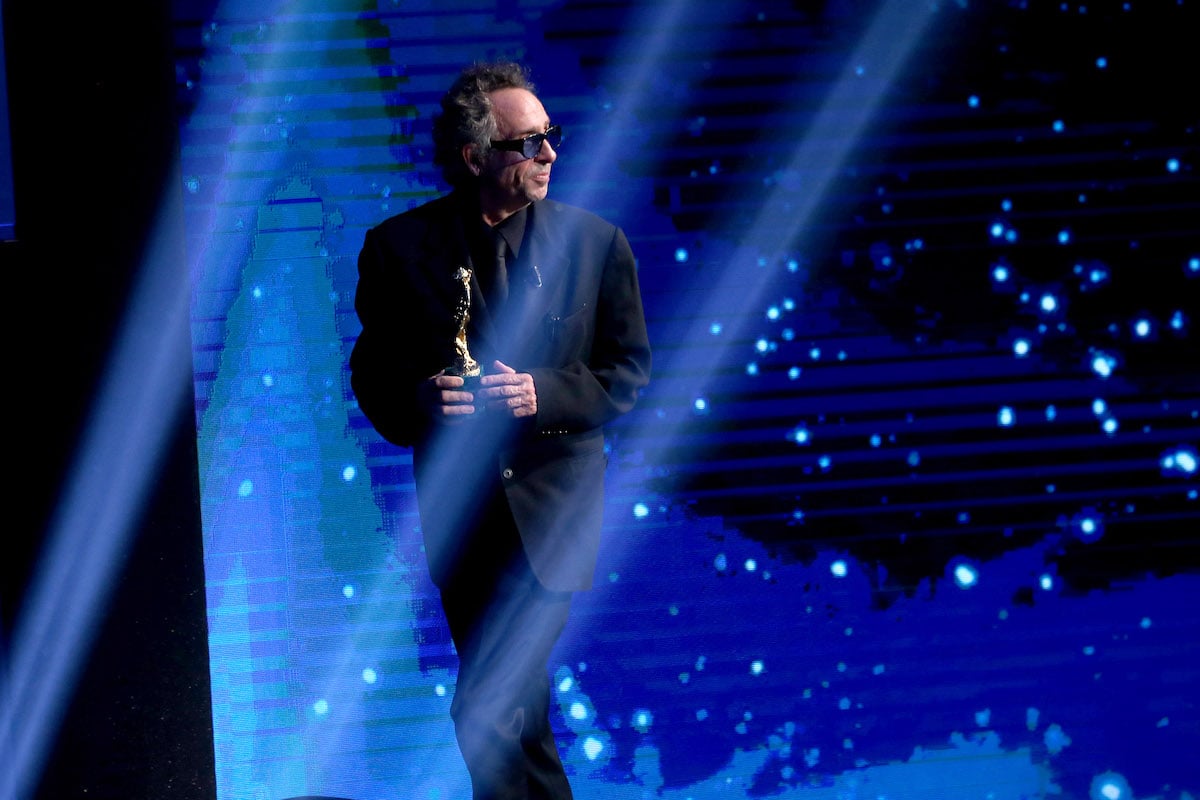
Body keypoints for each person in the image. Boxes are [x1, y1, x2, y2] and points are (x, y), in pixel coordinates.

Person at [349, 61, 651, 799]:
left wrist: (540, 394)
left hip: (552, 514)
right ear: (474, 156)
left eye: (553, 137)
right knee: (521, 715)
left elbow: (627, 374)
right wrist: (421, 399)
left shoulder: (596, 244)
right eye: (529, 143)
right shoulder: (398, 249)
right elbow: (370, 376)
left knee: (484, 705)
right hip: (462, 516)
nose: (550, 155)